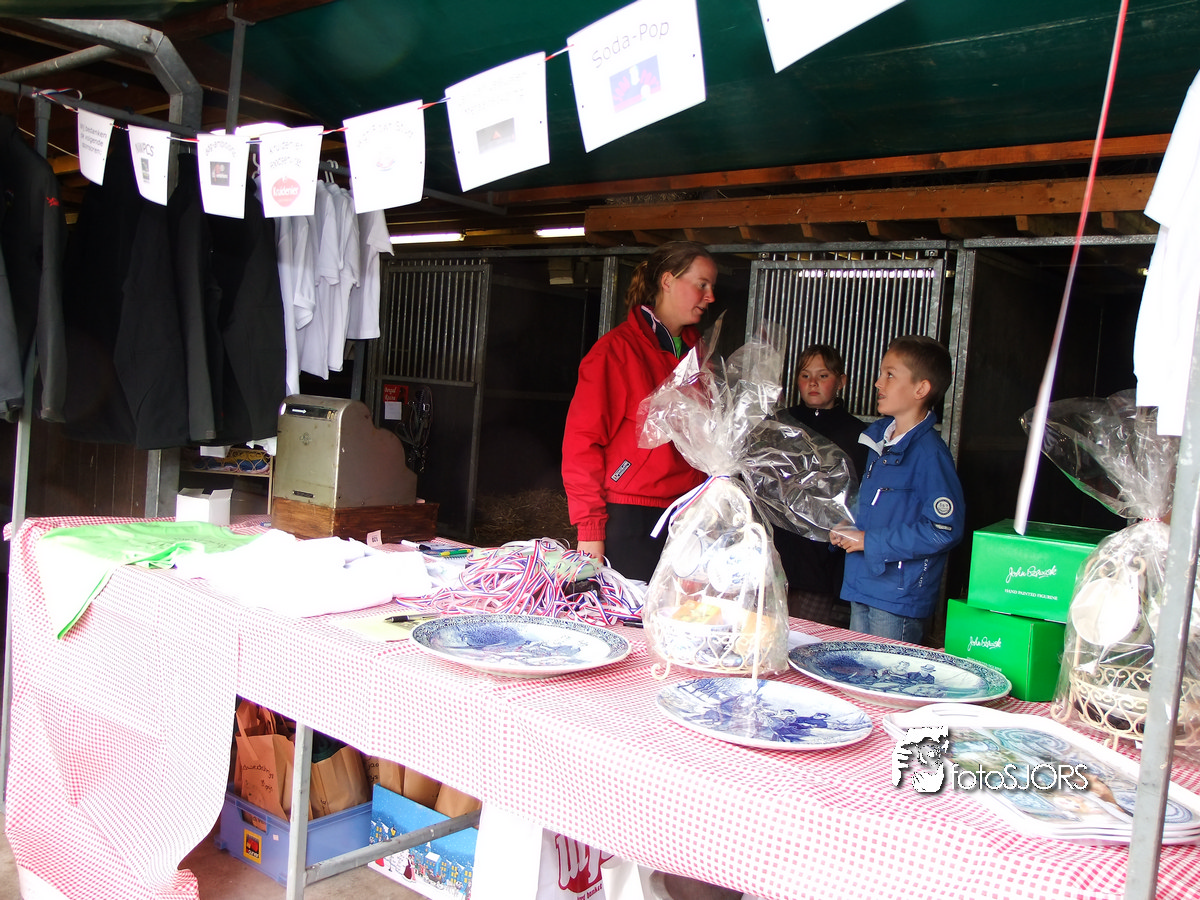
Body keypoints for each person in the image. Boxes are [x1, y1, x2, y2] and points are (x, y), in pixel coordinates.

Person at [562, 241, 717, 581]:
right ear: (668, 280)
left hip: (688, 513)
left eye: (711, 287)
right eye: (702, 284)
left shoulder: (700, 355)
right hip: (630, 514)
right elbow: (581, 443)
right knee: (629, 610)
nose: (710, 296)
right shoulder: (615, 352)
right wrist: (590, 529)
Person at [829, 335, 965, 643]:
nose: (878, 383)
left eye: (890, 375)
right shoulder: (879, 441)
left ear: (921, 389)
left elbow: (944, 529)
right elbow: (878, 507)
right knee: (856, 669)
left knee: (884, 671)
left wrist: (869, 541)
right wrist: (847, 526)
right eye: (881, 374)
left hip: (897, 597)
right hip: (863, 583)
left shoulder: (929, 454)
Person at [773, 344, 868, 628]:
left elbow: (860, 498)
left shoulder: (858, 434)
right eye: (805, 375)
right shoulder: (779, 424)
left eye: (823, 375)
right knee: (767, 629)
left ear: (841, 381)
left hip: (823, 558)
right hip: (779, 549)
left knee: (807, 634)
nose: (812, 383)